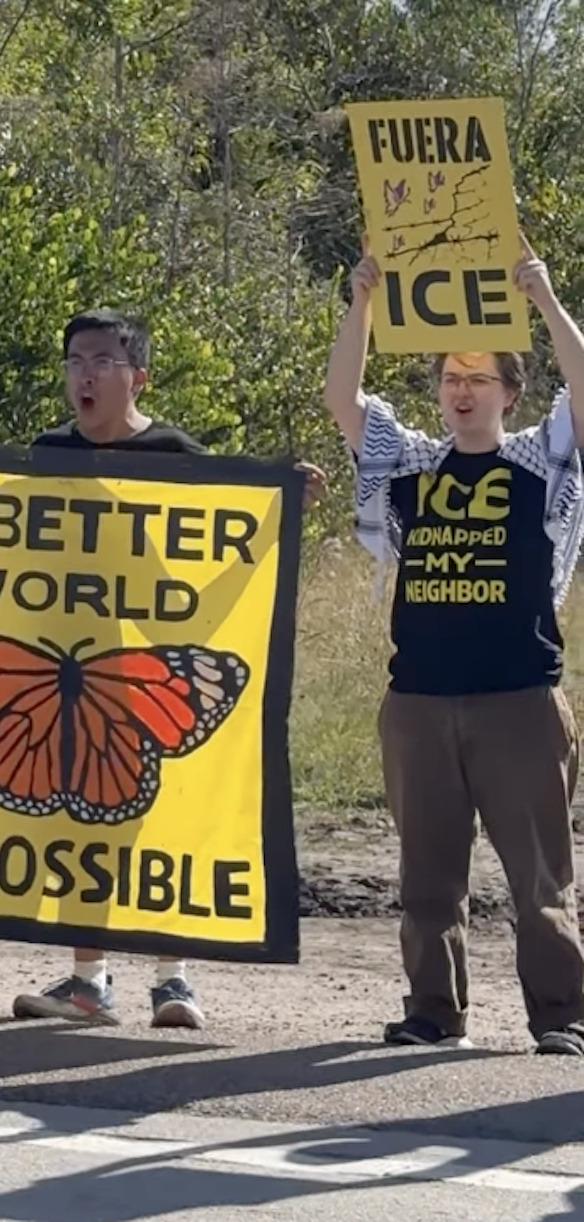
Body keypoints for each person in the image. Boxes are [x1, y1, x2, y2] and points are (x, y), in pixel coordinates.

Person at [0, 309, 324, 1030]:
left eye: (101, 361)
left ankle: (172, 981)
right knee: (79, 820)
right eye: (74, 361)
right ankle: (88, 983)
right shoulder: (48, 452)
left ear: (138, 376)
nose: (84, 375)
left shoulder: (174, 451)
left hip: (151, 668)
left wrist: (284, 495)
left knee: (159, 818)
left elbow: (229, 526)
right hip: (66, 666)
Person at [323, 236, 584, 1055]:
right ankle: (433, 1011)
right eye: (449, 379)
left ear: (510, 391)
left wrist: (543, 299)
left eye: (478, 379)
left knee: (540, 879)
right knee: (427, 876)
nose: (461, 392)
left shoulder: (539, 462)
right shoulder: (409, 462)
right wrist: (363, 302)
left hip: (519, 698)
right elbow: (342, 398)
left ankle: (563, 1015)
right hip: (420, 700)